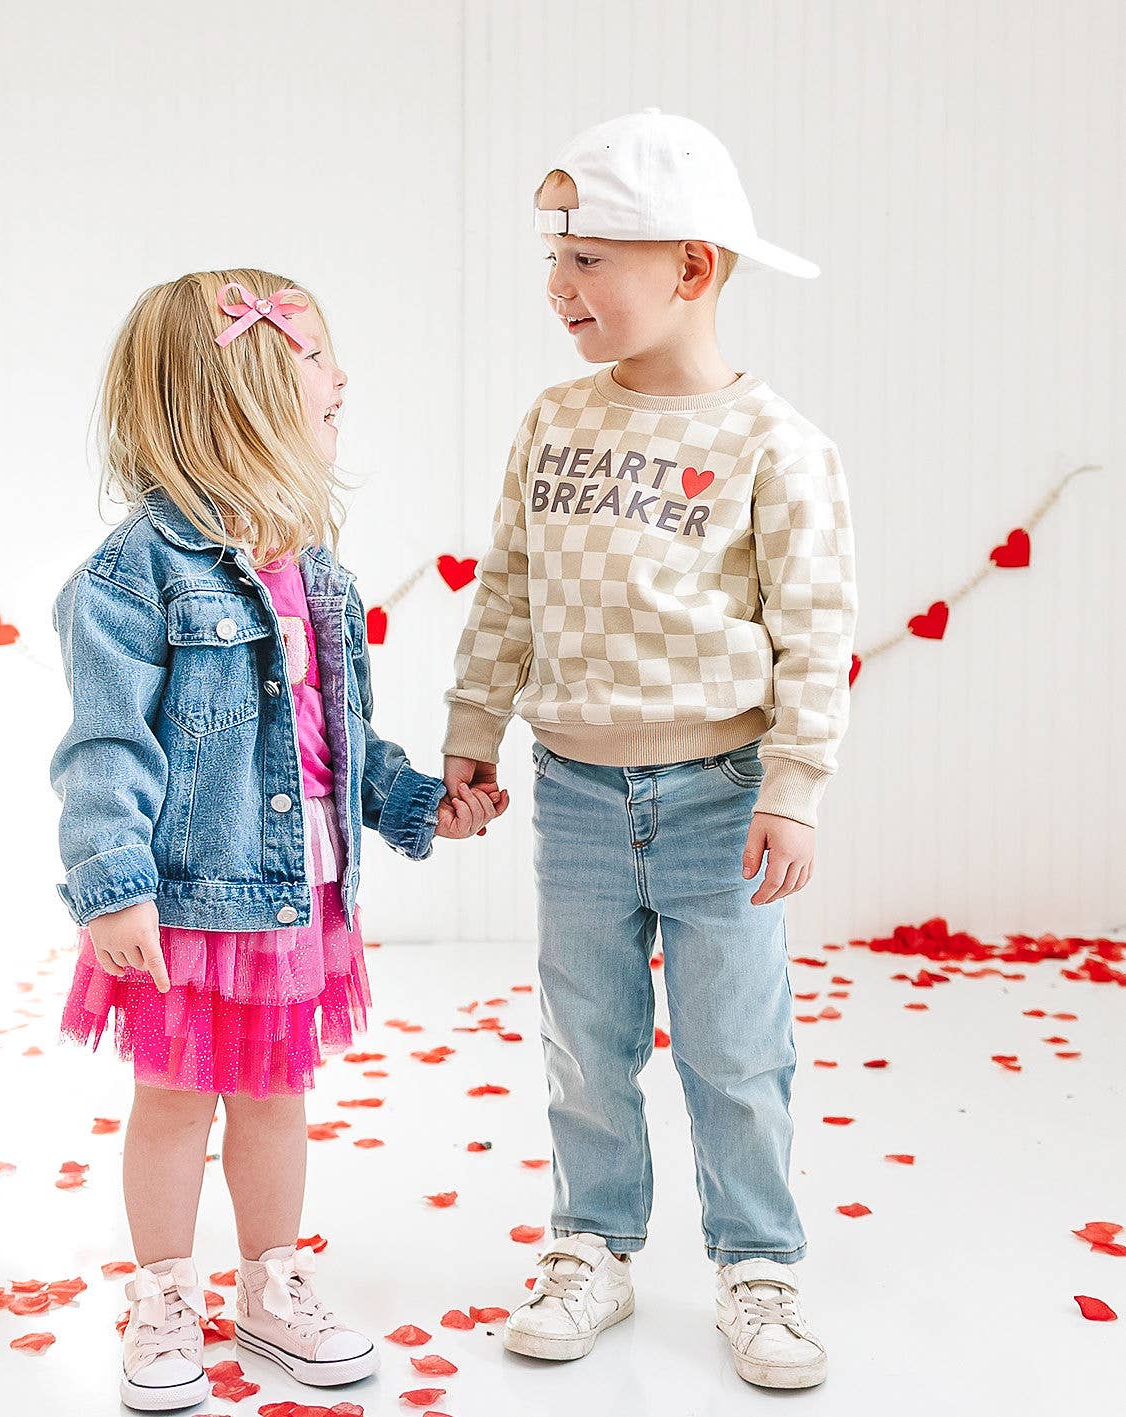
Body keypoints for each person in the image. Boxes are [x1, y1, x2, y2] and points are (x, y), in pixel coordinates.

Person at [442, 109, 858, 1390]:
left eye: (591, 260)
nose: (559, 286)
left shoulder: (770, 443)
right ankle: (591, 1245)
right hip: (572, 788)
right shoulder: (554, 421)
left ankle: (758, 1264)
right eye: (554, 259)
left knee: (734, 1045)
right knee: (586, 1035)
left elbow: (813, 627)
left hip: (718, 793)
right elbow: (505, 586)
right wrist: (473, 728)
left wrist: (792, 789)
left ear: (691, 268)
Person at [50, 269, 507, 1410]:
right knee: (172, 1097)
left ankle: (269, 1284)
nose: (340, 379)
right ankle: (163, 1292)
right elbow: (104, 746)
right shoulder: (133, 574)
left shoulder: (320, 572)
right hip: (188, 900)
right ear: (243, 392)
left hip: (294, 893)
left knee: (272, 1097)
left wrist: (412, 804)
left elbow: (330, 739)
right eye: (317, 363)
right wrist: (113, 887)